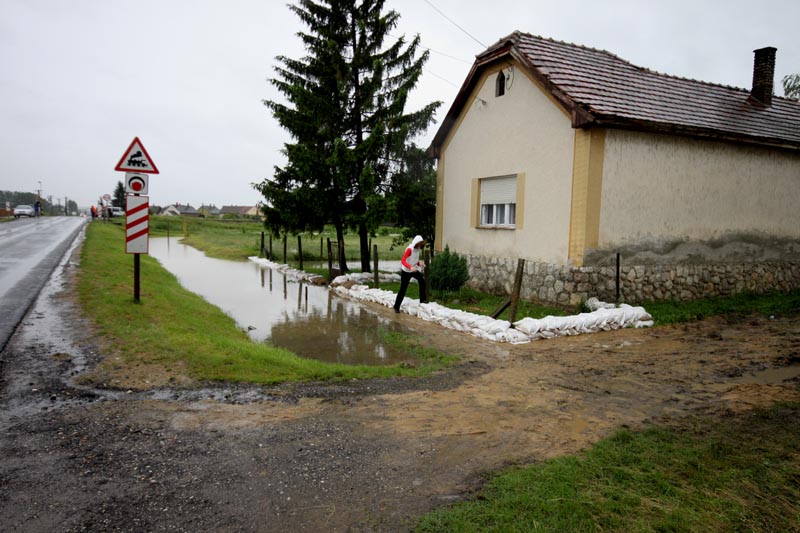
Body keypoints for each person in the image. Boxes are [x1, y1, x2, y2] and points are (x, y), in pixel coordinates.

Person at [393, 235, 428, 313]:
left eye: (421, 244)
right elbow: (403, 260)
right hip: (406, 271)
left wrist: (420, 264)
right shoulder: (409, 249)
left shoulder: (417, 249)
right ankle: (396, 307)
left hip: (413, 270)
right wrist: (410, 267)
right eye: (419, 244)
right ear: (416, 243)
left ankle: (423, 300)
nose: (420, 246)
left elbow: (414, 260)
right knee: (403, 289)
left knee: (422, 281)